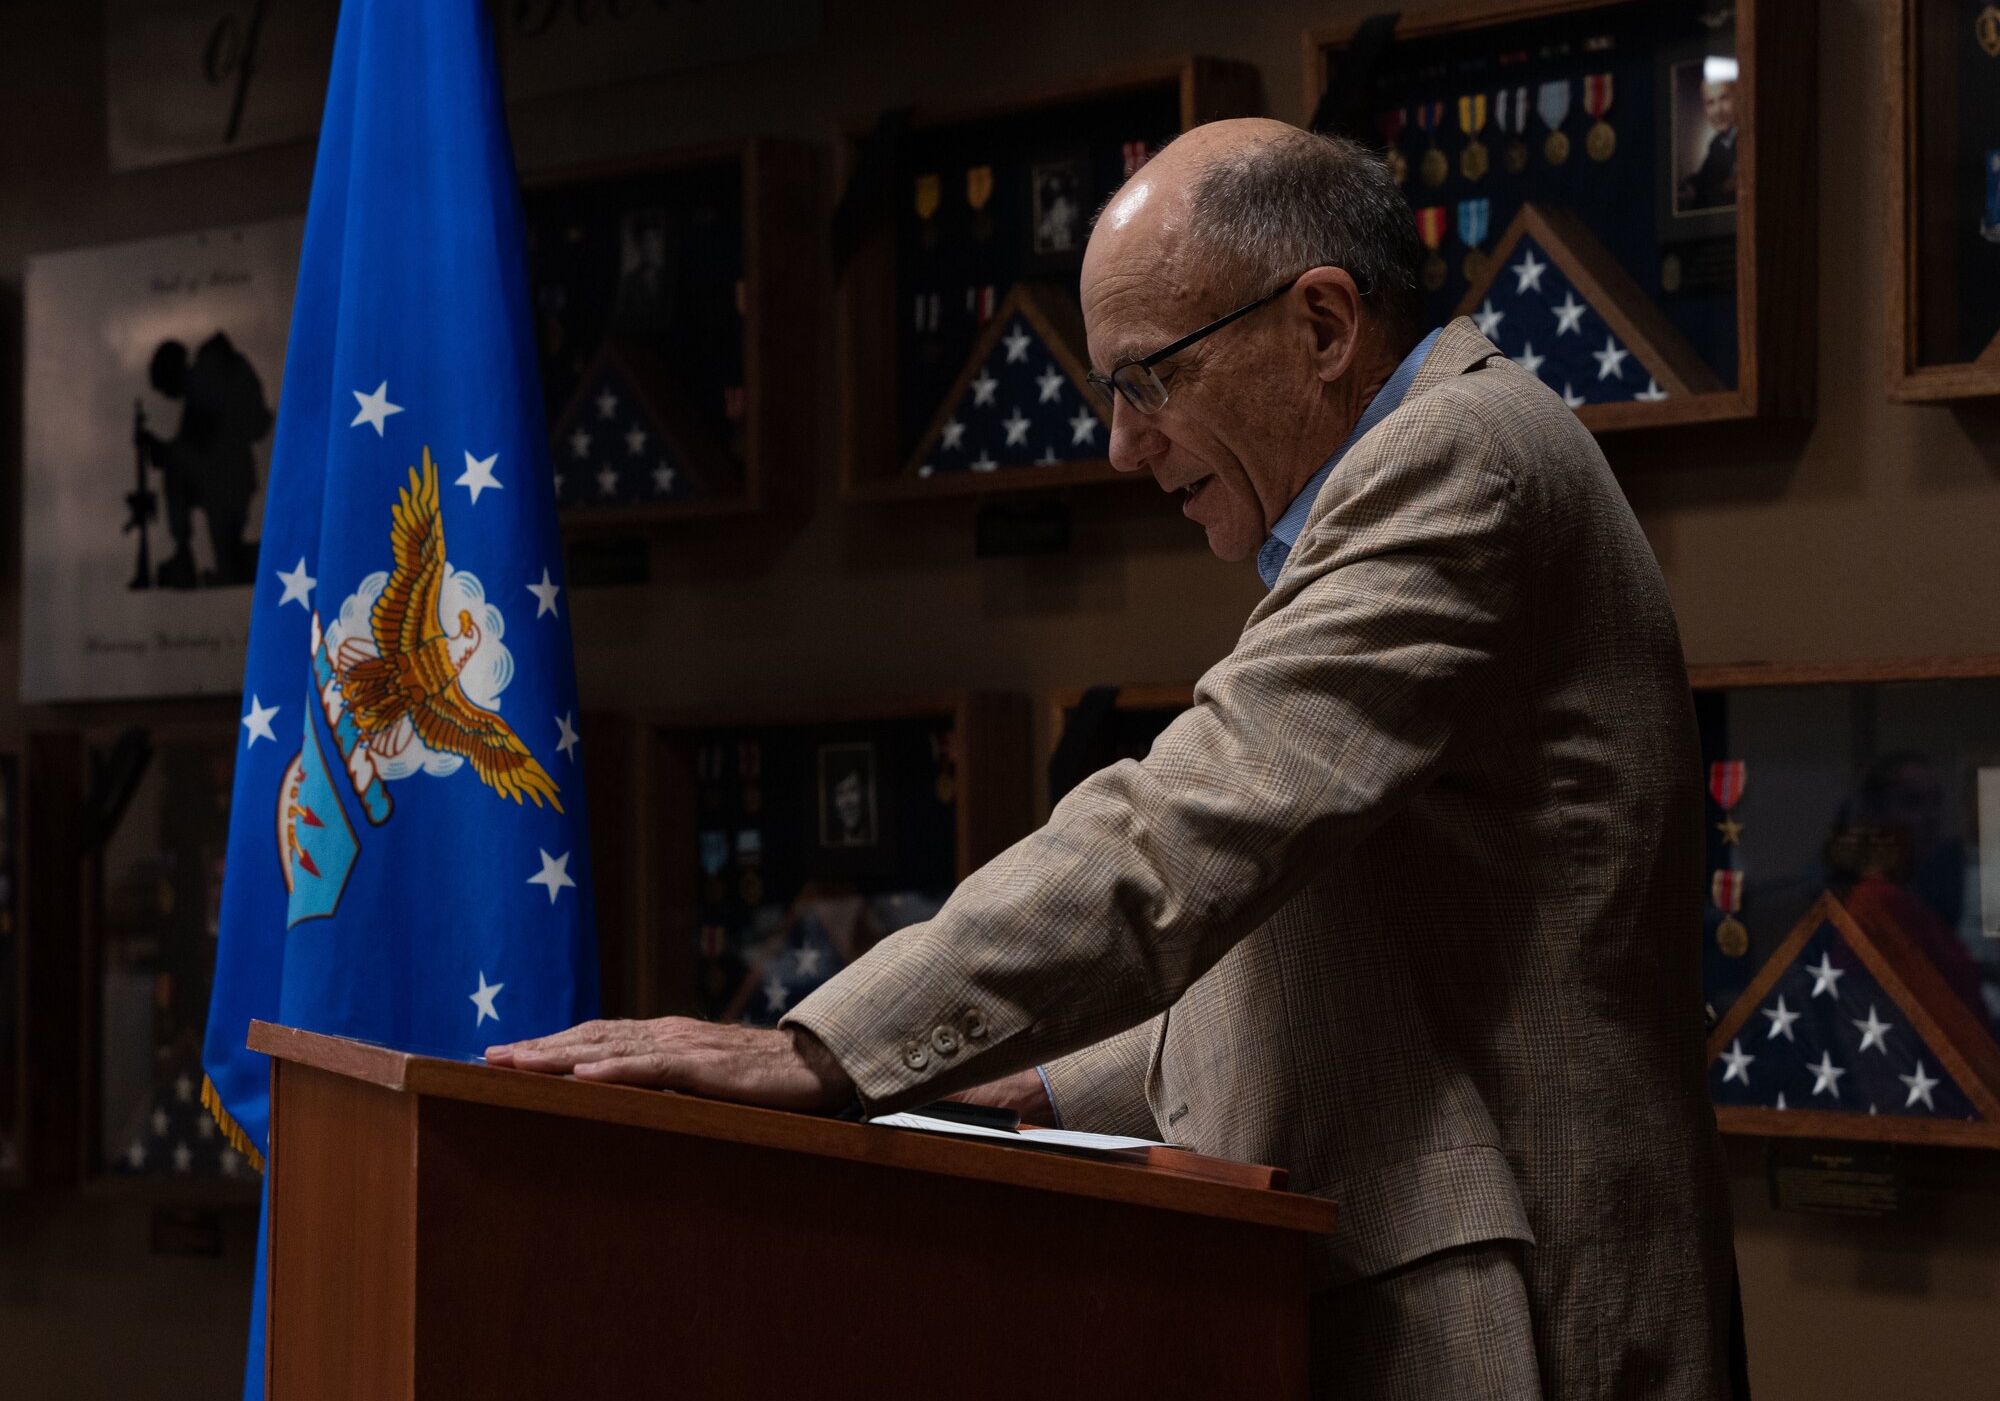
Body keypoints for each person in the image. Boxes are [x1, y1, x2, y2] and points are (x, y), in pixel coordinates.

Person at [492, 120, 1736, 1398]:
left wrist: (818, 1051)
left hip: (1535, 1320)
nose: (1118, 446)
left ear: (1319, 325)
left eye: (1147, 380)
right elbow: (1297, 939)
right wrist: (1019, 1091)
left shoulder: (1457, 455)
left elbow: (1179, 831)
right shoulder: (1419, 467)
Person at [138, 330, 273, 588]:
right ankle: (190, 557)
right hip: (227, 480)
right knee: (230, 559)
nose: (168, 396)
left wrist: (161, 451)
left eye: (166, 388)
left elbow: (198, 447)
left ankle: (273, 557)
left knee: (231, 565)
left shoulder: (205, 381)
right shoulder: (204, 382)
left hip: (227, 482)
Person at [1677, 71, 1737, 212]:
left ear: (1737, 96)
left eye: (1724, 98)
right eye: (1710, 103)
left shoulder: (1748, 141)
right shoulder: (1717, 143)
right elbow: (1704, 177)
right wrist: (1690, 186)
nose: (1718, 110)